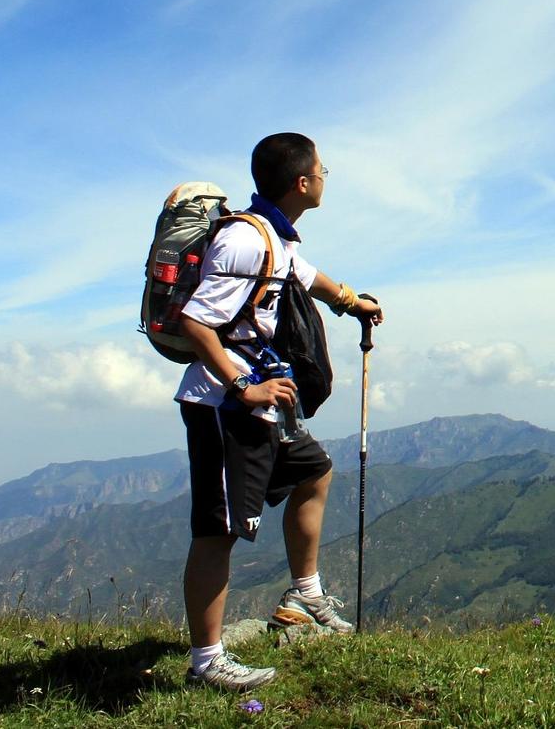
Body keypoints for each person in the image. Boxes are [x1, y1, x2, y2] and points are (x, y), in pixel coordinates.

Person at [174, 132, 384, 691]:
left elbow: (307, 277)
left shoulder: (275, 237)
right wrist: (244, 385)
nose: (324, 175)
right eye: (321, 168)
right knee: (218, 531)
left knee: (314, 471)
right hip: (224, 408)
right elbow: (197, 322)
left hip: (263, 407)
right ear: (301, 182)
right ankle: (207, 662)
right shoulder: (245, 240)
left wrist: (352, 304)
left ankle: (305, 593)